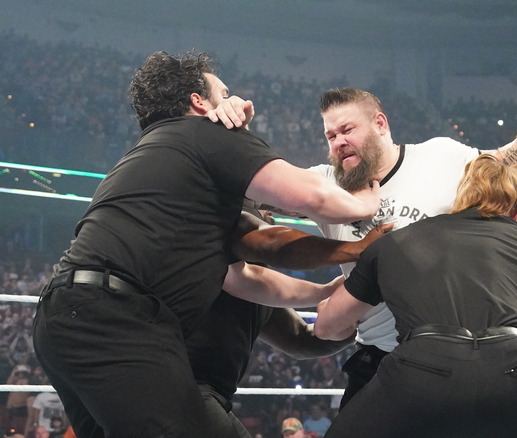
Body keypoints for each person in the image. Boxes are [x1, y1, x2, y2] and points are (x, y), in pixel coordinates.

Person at [32, 51, 380, 438]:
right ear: (199, 102)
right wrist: (363, 206)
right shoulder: (205, 133)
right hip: (116, 319)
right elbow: (308, 200)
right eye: (225, 92)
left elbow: (245, 280)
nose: (237, 104)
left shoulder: (163, 165)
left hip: (64, 318)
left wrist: (328, 293)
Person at [213, 85, 517, 408]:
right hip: (379, 358)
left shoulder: (440, 157)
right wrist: (230, 129)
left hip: (452, 350)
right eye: (331, 136)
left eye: (347, 130)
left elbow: (514, 162)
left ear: (380, 124)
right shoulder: (324, 185)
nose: (338, 142)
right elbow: (245, 185)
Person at [314, 154, 517, 438]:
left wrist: (325, 303)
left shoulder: (397, 240)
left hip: (422, 368)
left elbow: (326, 327)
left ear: (463, 197)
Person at [190, 208, 391, 438]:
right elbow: (268, 247)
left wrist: (355, 316)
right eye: (263, 215)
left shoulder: (257, 294)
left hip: (207, 393)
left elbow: (301, 339)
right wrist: (354, 249)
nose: (270, 217)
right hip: (178, 384)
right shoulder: (210, 259)